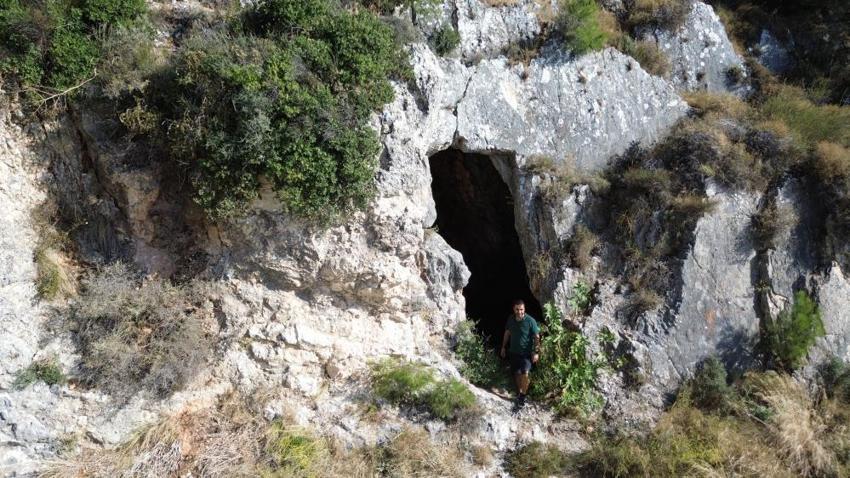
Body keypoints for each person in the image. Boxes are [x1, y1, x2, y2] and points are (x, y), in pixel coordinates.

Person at [500, 299, 540, 408]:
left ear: (524, 309)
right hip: (513, 352)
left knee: (525, 373)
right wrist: (503, 347)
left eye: (521, 309)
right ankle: (520, 393)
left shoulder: (530, 321)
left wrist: (536, 352)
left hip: (526, 353)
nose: (519, 312)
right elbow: (507, 333)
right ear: (514, 309)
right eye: (517, 309)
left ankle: (522, 396)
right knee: (517, 373)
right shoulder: (511, 319)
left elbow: (536, 337)